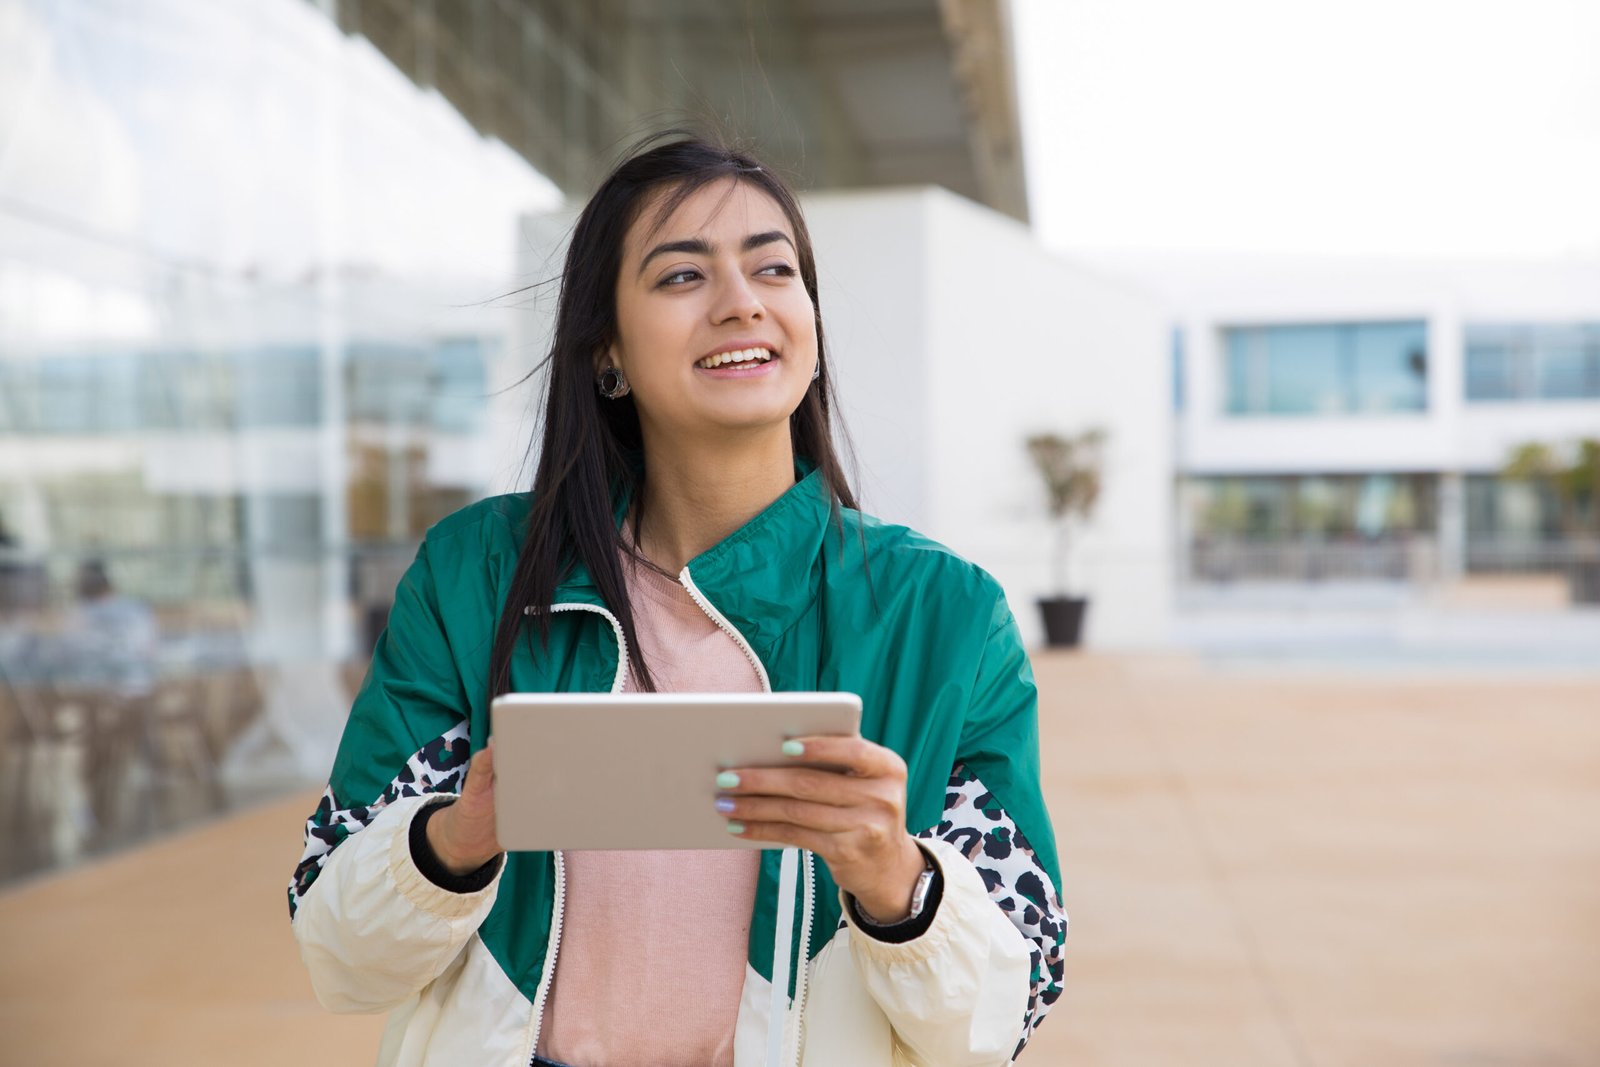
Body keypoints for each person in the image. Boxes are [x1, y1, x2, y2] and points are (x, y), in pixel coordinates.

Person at [288, 132, 1066, 1067]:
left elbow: (1005, 1011)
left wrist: (896, 881)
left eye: (773, 269)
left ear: (809, 328)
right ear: (607, 349)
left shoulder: (942, 613)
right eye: (681, 277)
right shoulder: (478, 574)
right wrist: (459, 837)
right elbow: (338, 953)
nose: (742, 303)